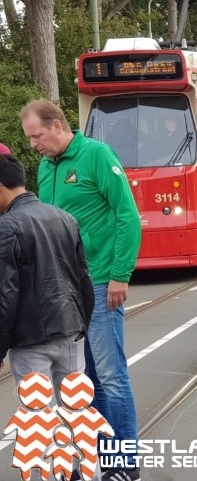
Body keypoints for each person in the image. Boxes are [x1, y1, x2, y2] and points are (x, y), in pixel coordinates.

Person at [21, 100, 143, 481]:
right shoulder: (46, 166)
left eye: (36, 136)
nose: (33, 145)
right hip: (70, 288)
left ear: (56, 125)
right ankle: (104, 460)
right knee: (85, 380)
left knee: (110, 375)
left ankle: (124, 463)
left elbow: (127, 214)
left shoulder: (96, 155)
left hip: (104, 280)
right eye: (28, 139)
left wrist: (121, 274)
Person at [0, 151, 93, 408]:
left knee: (39, 419)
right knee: (76, 412)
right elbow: (84, 279)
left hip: (30, 339)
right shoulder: (65, 218)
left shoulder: (7, 227)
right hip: (71, 332)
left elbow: (6, 295)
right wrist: (81, 325)